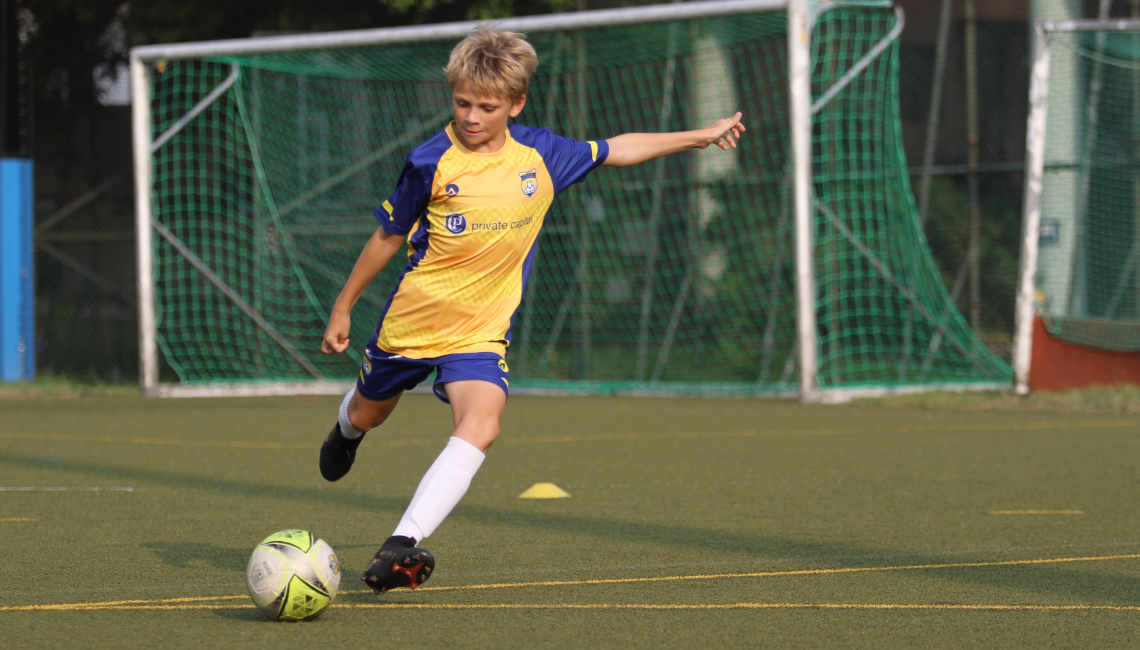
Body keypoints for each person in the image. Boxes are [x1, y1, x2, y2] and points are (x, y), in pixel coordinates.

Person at [318, 24, 745, 594]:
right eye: (462, 102)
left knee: (483, 425)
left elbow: (620, 148)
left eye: (487, 107)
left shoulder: (542, 155)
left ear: (516, 104)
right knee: (371, 414)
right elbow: (389, 236)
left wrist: (700, 136)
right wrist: (343, 307)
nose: (471, 116)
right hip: (413, 324)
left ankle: (402, 544)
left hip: (481, 333)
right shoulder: (430, 160)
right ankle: (347, 427)